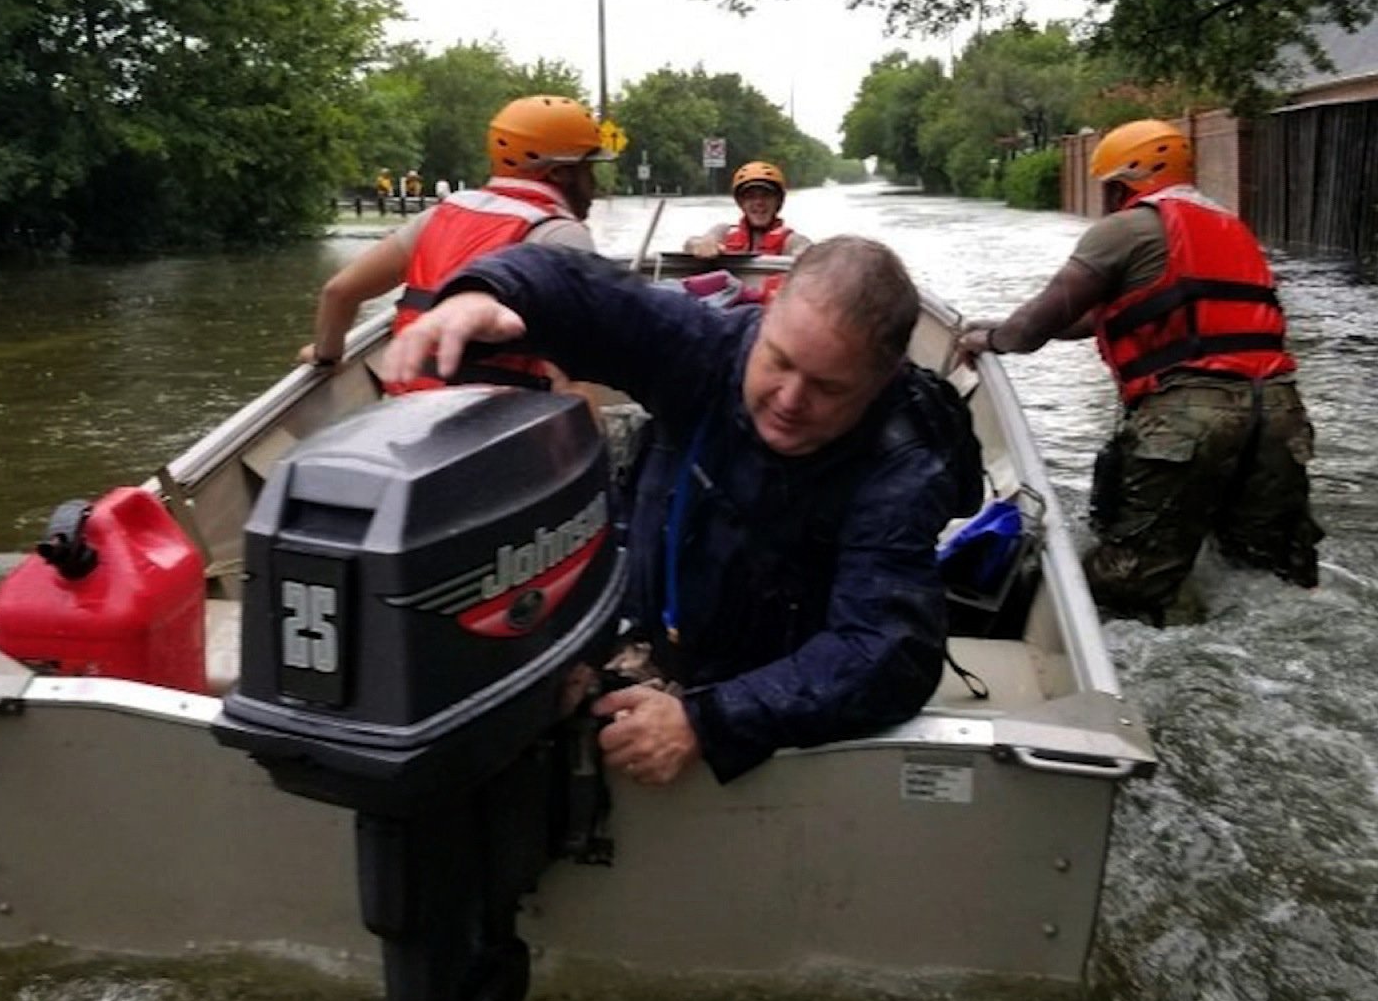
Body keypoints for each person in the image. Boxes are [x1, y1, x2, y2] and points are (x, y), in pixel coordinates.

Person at [381, 238, 983, 786]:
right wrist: (486, 293)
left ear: (881, 381)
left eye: (828, 389)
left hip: (772, 690)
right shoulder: (708, 348)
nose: (789, 399)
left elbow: (886, 652)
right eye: (778, 361)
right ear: (767, 317)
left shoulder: (902, 466)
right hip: (655, 630)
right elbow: (585, 290)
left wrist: (708, 720)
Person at [956, 118, 1322, 622]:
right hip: (1279, 413)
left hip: (1191, 418)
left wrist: (990, 339)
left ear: (1127, 180)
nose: (1107, 197)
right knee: (1264, 569)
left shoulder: (1124, 229)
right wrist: (1006, 327)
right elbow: (1109, 316)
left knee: (1125, 584)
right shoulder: (1231, 228)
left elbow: (1039, 322)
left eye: (1110, 186)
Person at [297, 95, 613, 390]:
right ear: (560, 173)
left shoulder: (438, 215)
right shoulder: (561, 235)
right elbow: (576, 377)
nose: (595, 187)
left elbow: (339, 292)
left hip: (405, 418)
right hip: (502, 425)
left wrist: (326, 356)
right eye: (590, 171)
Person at [683, 161, 813, 259]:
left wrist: (807, 258)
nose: (759, 202)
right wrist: (701, 244)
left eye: (766, 195)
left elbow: (811, 254)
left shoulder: (792, 241)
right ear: (741, 202)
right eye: (750, 197)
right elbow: (691, 243)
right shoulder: (723, 232)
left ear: (778, 200)